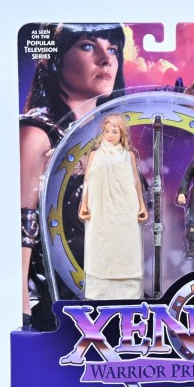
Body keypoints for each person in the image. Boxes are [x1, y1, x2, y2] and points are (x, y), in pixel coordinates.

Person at [20, 23, 126, 330]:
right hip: (50, 304)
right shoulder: (38, 134)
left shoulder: (105, 140)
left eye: (113, 49)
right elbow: (22, 227)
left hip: (96, 297)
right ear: (55, 59)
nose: (106, 59)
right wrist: (23, 307)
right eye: (88, 46)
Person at [79, 114, 148, 300]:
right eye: (107, 131)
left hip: (125, 209)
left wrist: (142, 205)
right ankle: (98, 292)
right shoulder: (94, 155)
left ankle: (130, 293)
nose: (110, 135)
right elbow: (87, 181)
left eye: (114, 131)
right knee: (99, 246)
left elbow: (136, 181)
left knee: (127, 247)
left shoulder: (128, 155)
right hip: (99, 209)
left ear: (122, 134)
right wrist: (84, 204)